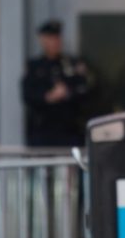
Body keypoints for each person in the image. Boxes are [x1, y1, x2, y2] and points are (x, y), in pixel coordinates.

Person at [20, 19, 94, 147]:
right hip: (43, 132)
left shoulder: (72, 64)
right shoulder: (35, 67)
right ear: (43, 40)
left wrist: (67, 93)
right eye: (51, 38)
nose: (55, 42)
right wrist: (48, 97)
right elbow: (28, 94)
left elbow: (86, 89)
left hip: (69, 131)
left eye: (57, 38)